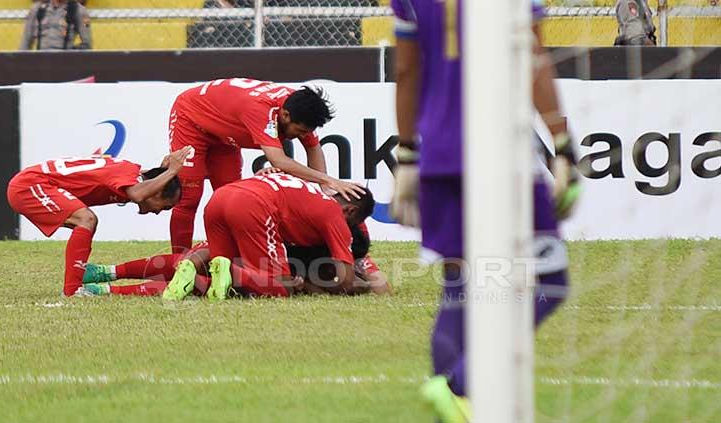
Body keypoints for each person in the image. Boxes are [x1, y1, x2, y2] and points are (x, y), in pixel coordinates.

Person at [390, 0, 582, 421]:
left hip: (439, 154)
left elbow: (407, 71)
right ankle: (460, 384)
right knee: (550, 282)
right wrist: (563, 144)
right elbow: (532, 56)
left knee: (460, 285)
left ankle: (456, 403)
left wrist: (407, 154)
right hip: (501, 149)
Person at [167, 77, 365, 254]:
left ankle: (228, 258)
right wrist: (328, 179)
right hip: (191, 119)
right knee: (188, 198)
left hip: (224, 135)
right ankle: (178, 263)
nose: (303, 136)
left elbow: (313, 148)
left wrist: (324, 192)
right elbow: (278, 160)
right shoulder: (261, 110)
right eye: (301, 131)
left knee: (231, 200)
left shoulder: (300, 108)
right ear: (285, 116)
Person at [160, 172, 375, 302]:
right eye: (354, 225)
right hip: (253, 206)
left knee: (223, 268)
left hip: (220, 197)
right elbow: (344, 281)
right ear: (351, 211)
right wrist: (363, 286)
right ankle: (208, 276)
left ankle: (188, 267)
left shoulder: (309, 193)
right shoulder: (334, 215)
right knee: (280, 288)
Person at [6, 148, 191, 296]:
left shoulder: (130, 171)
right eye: (165, 206)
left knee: (85, 221)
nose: (159, 212)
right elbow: (138, 194)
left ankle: (79, 277)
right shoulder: (128, 176)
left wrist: (164, 170)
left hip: (31, 183)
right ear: (157, 193)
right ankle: (73, 290)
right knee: (86, 219)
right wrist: (173, 170)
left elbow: (144, 183)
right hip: (30, 186)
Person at [81, 223, 390, 296]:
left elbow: (381, 285)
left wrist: (315, 283)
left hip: (266, 258)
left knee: (208, 284)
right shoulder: (314, 215)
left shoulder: (352, 235)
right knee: (186, 266)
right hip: (252, 233)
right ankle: (107, 273)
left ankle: (106, 289)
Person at [20, 0, 92, 51]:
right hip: (41, 60)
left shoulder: (80, 11)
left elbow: (87, 44)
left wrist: (70, 52)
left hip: (65, 61)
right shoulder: (36, 9)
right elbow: (26, 41)